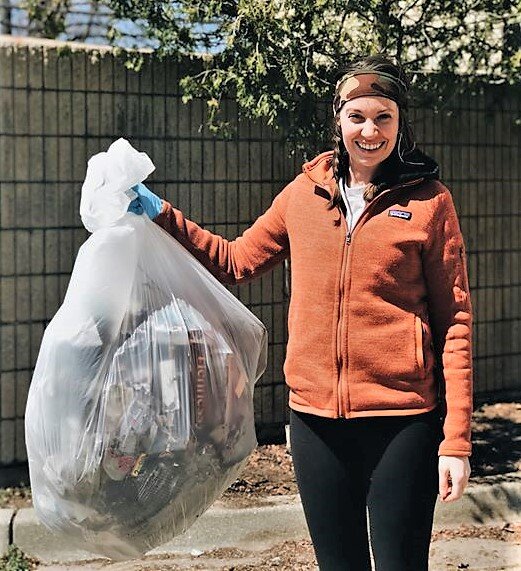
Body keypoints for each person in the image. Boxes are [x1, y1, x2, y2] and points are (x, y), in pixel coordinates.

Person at [128, 54, 473, 571]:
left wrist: (457, 440)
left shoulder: (429, 203)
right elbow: (236, 260)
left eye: (384, 117)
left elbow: (456, 325)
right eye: (357, 116)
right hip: (315, 423)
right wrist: (158, 213)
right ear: (338, 119)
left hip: (402, 422)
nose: (370, 130)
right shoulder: (303, 195)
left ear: (401, 124)